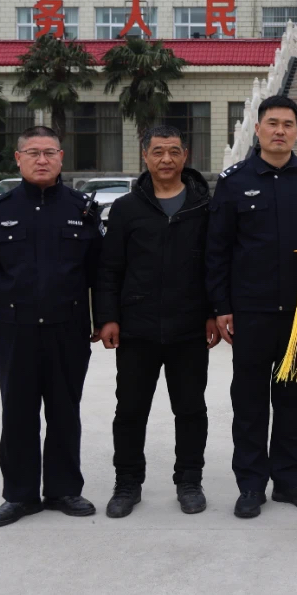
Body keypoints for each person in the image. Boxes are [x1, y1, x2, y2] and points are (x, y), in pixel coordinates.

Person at [206, 95, 297, 519]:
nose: (279, 131)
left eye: (287, 124)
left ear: (296, 131)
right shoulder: (235, 181)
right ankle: (251, 485)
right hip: (251, 312)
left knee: (294, 401)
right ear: (258, 129)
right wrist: (221, 306)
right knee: (249, 402)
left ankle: (290, 480)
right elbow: (217, 248)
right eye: (272, 123)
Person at [0, 125, 103, 527]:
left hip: (68, 329)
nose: (41, 160)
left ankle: (63, 489)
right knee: (18, 415)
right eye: (33, 153)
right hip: (15, 331)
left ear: (61, 157)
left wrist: (103, 319)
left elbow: (101, 273)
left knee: (65, 412)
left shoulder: (82, 209)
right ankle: (20, 496)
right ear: (18, 158)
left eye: (49, 152)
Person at [94, 125, 220, 519]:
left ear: (186, 156)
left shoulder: (204, 207)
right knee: (130, 411)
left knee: (191, 409)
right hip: (137, 328)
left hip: (190, 328)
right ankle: (127, 483)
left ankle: (189, 481)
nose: (167, 159)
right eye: (158, 151)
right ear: (145, 157)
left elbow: (215, 266)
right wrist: (107, 318)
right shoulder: (126, 209)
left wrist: (213, 313)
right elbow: (109, 269)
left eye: (174, 151)